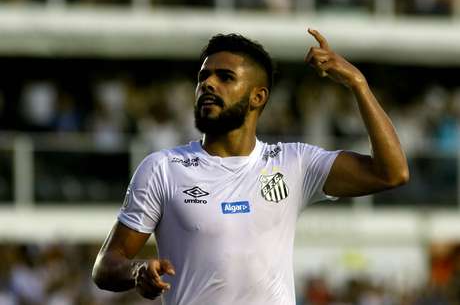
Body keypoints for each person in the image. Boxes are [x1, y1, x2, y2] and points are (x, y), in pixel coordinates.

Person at [92, 28, 409, 305]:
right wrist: (137, 271)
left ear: (258, 97)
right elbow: (106, 265)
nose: (208, 84)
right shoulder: (162, 168)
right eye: (203, 76)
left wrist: (358, 84)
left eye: (225, 77)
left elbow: (392, 173)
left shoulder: (293, 163)